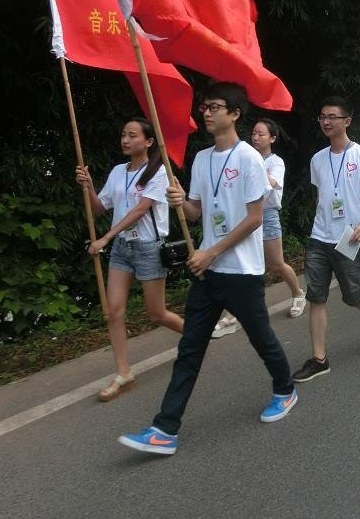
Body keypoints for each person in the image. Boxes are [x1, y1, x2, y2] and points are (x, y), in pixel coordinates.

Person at [117, 84, 297, 456]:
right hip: (209, 272)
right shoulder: (201, 159)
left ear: (234, 114)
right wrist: (180, 204)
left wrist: (210, 252)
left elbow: (253, 219)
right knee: (190, 348)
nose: (207, 113)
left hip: (242, 272)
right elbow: (197, 213)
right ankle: (165, 429)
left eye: (215, 107)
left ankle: (286, 389)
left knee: (262, 339)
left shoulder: (250, 159)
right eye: (204, 107)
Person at [75, 118, 183, 402]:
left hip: (148, 247)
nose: (125, 139)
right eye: (123, 134)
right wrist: (87, 187)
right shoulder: (117, 172)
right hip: (123, 248)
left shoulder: (159, 172)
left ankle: (195, 335)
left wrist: (104, 239)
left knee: (156, 314)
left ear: (148, 142)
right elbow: (100, 208)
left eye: (132, 135)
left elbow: (140, 210)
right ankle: (124, 373)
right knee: (113, 311)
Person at [291, 96, 360, 384]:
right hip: (320, 237)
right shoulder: (317, 160)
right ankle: (319, 359)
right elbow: (322, 196)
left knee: (353, 296)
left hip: (349, 237)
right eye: (322, 116)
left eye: (332, 116)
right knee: (316, 296)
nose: (326, 121)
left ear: (347, 121)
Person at [253, 118, 308, 317]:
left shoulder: (275, 162)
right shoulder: (246, 158)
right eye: (253, 134)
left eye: (261, 134)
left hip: (267, 215)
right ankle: (233, 313)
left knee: (276, 264)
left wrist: (255, 162)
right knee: (246, 264)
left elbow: (272, 182)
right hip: (245, 215)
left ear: (272, 138)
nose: (255, 137)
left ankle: (298, 293)